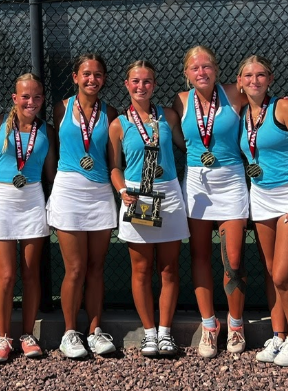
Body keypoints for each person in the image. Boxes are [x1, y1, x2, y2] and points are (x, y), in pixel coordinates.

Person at [237, 55, 288, 366]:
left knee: (284, 275)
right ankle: (279, 336)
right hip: (260, 197)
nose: (255, 80)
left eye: (261, 75)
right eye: (248, 75)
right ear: (240, 82)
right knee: (272, 274)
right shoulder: (242, 112)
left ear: (270, 79)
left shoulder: (284, 107)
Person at [0, 73, 56, 363]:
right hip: (3, 202)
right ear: (14, 98)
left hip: (33, 201)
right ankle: (3, 337)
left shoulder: (46, 130)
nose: (30, 102)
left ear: (42, 99)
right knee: (7, 275)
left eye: (36, 97)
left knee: (32, 273)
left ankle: (27, 335)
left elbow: (52, 174)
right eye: (25, 96)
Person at [172, 45, 249, 358]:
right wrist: (190, 149)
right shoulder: (179, 101)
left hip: (231, 183)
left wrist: (284, 104)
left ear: (216, 69)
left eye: (206, 66)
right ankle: (209, 326)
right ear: (187, 74)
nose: (201, 72)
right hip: (196, 185)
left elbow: (263, 101)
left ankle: (236, 324)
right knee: (200, 256)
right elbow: (173, 133)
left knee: (234, 259)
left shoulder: (234, 93)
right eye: (194, 68)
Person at [108, 61, 189, 356]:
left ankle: (166, 332)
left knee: (168, 269)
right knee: (141, 270)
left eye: (147, 81)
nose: (141, 86)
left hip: (167, 193)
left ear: (154, 85)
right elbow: (114, 167)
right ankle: (149, 333)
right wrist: (122, 191)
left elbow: (187, 145)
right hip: (137, 196)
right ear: (126, 85)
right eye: (135, 81)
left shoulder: (167, 116)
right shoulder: (118, 124)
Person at [47, 53, 118, 358]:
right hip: (68, 191)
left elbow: (114, 160)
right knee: (74, 268)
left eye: (98, 74)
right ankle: (69, 332)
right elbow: (51, 151)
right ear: (75, 77)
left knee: (95, 268)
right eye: (86, 74)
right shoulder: (60, 108)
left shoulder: (112, 112)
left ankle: (95, 330)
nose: (92, 79)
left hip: (101, 193)